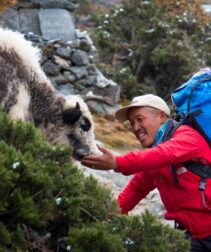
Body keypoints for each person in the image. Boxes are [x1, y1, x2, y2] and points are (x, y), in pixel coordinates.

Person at [81, 94, 211, 252]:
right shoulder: (156, 158)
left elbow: (163, 154)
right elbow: (136, 188)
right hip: (190, 236)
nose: (135, 128)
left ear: (162, 116)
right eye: (132, 123)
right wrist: (106, 215)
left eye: (140, 119)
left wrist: (117, 162)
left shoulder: (187, 136)